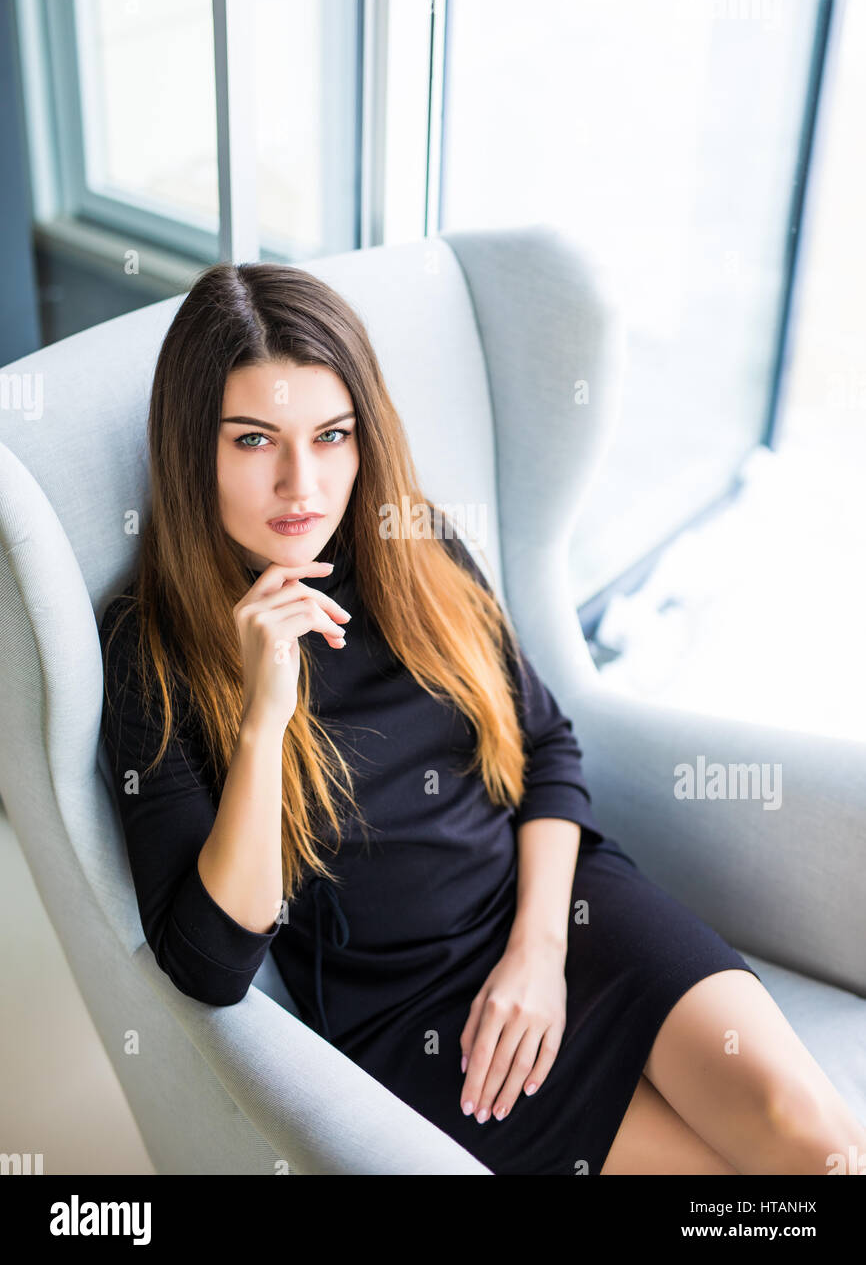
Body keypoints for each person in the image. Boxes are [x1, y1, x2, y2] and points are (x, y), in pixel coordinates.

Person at [99, 261, 866, 1175]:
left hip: (566, 911)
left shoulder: (410, 541)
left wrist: (539, 952)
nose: (301, 484)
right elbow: (210, 966)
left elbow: (546, 746)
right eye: (256, 440)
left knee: (814, 1144)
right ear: (194, 447)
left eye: (332, 435)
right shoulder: (151, 647)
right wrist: (266, 717)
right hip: (418, 1014)